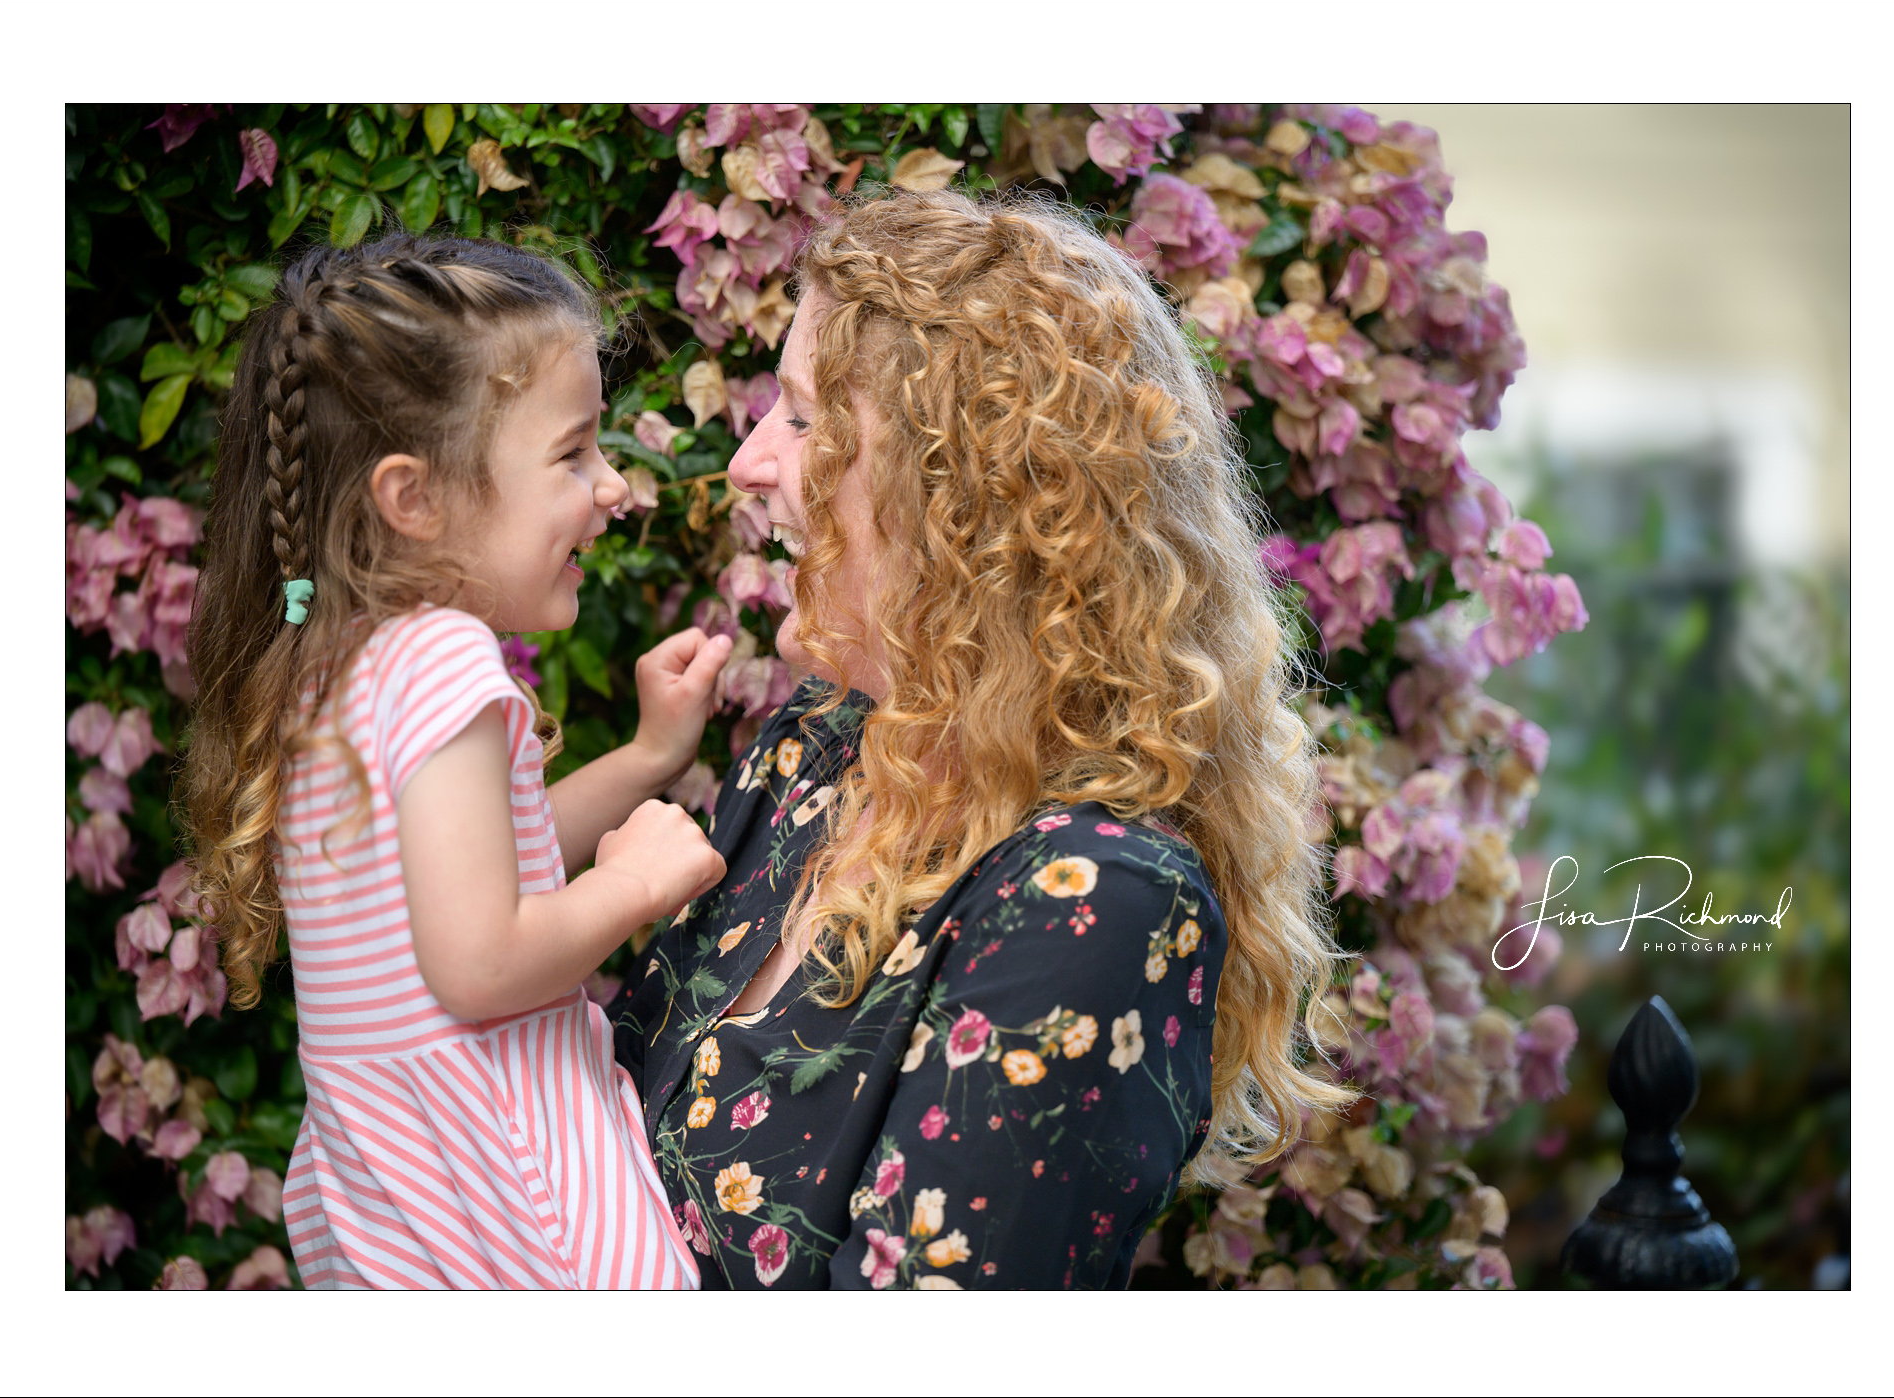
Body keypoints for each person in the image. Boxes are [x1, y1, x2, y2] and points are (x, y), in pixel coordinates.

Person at [611, 191, 1351, 1290]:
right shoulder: (816, 749)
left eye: (808, 420)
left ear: (965, 496)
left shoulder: (1092, 899)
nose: (749, 461)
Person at [181, 234, 730, 1289]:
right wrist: (636, 883)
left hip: (397, 1199)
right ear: (414, 497)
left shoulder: (329, 666)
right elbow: (479, 964)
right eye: (572, 454)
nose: (612, 486)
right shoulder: (441, 653)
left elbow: (483, 869)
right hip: (507, 1195)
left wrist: (647, 754)